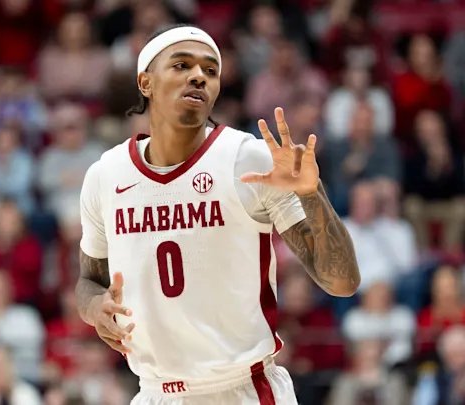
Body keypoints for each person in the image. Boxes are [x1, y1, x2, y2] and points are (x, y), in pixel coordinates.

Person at [76, 24, 360, 404]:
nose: (199, 76)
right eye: (182, 65)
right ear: (145, 82)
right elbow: (88, 282)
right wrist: (95, 308)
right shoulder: (105, 176)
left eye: (210, 71)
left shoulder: (248, 159)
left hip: (243, 390)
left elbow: (341, 281)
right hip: (155, 393)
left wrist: (312, 194)